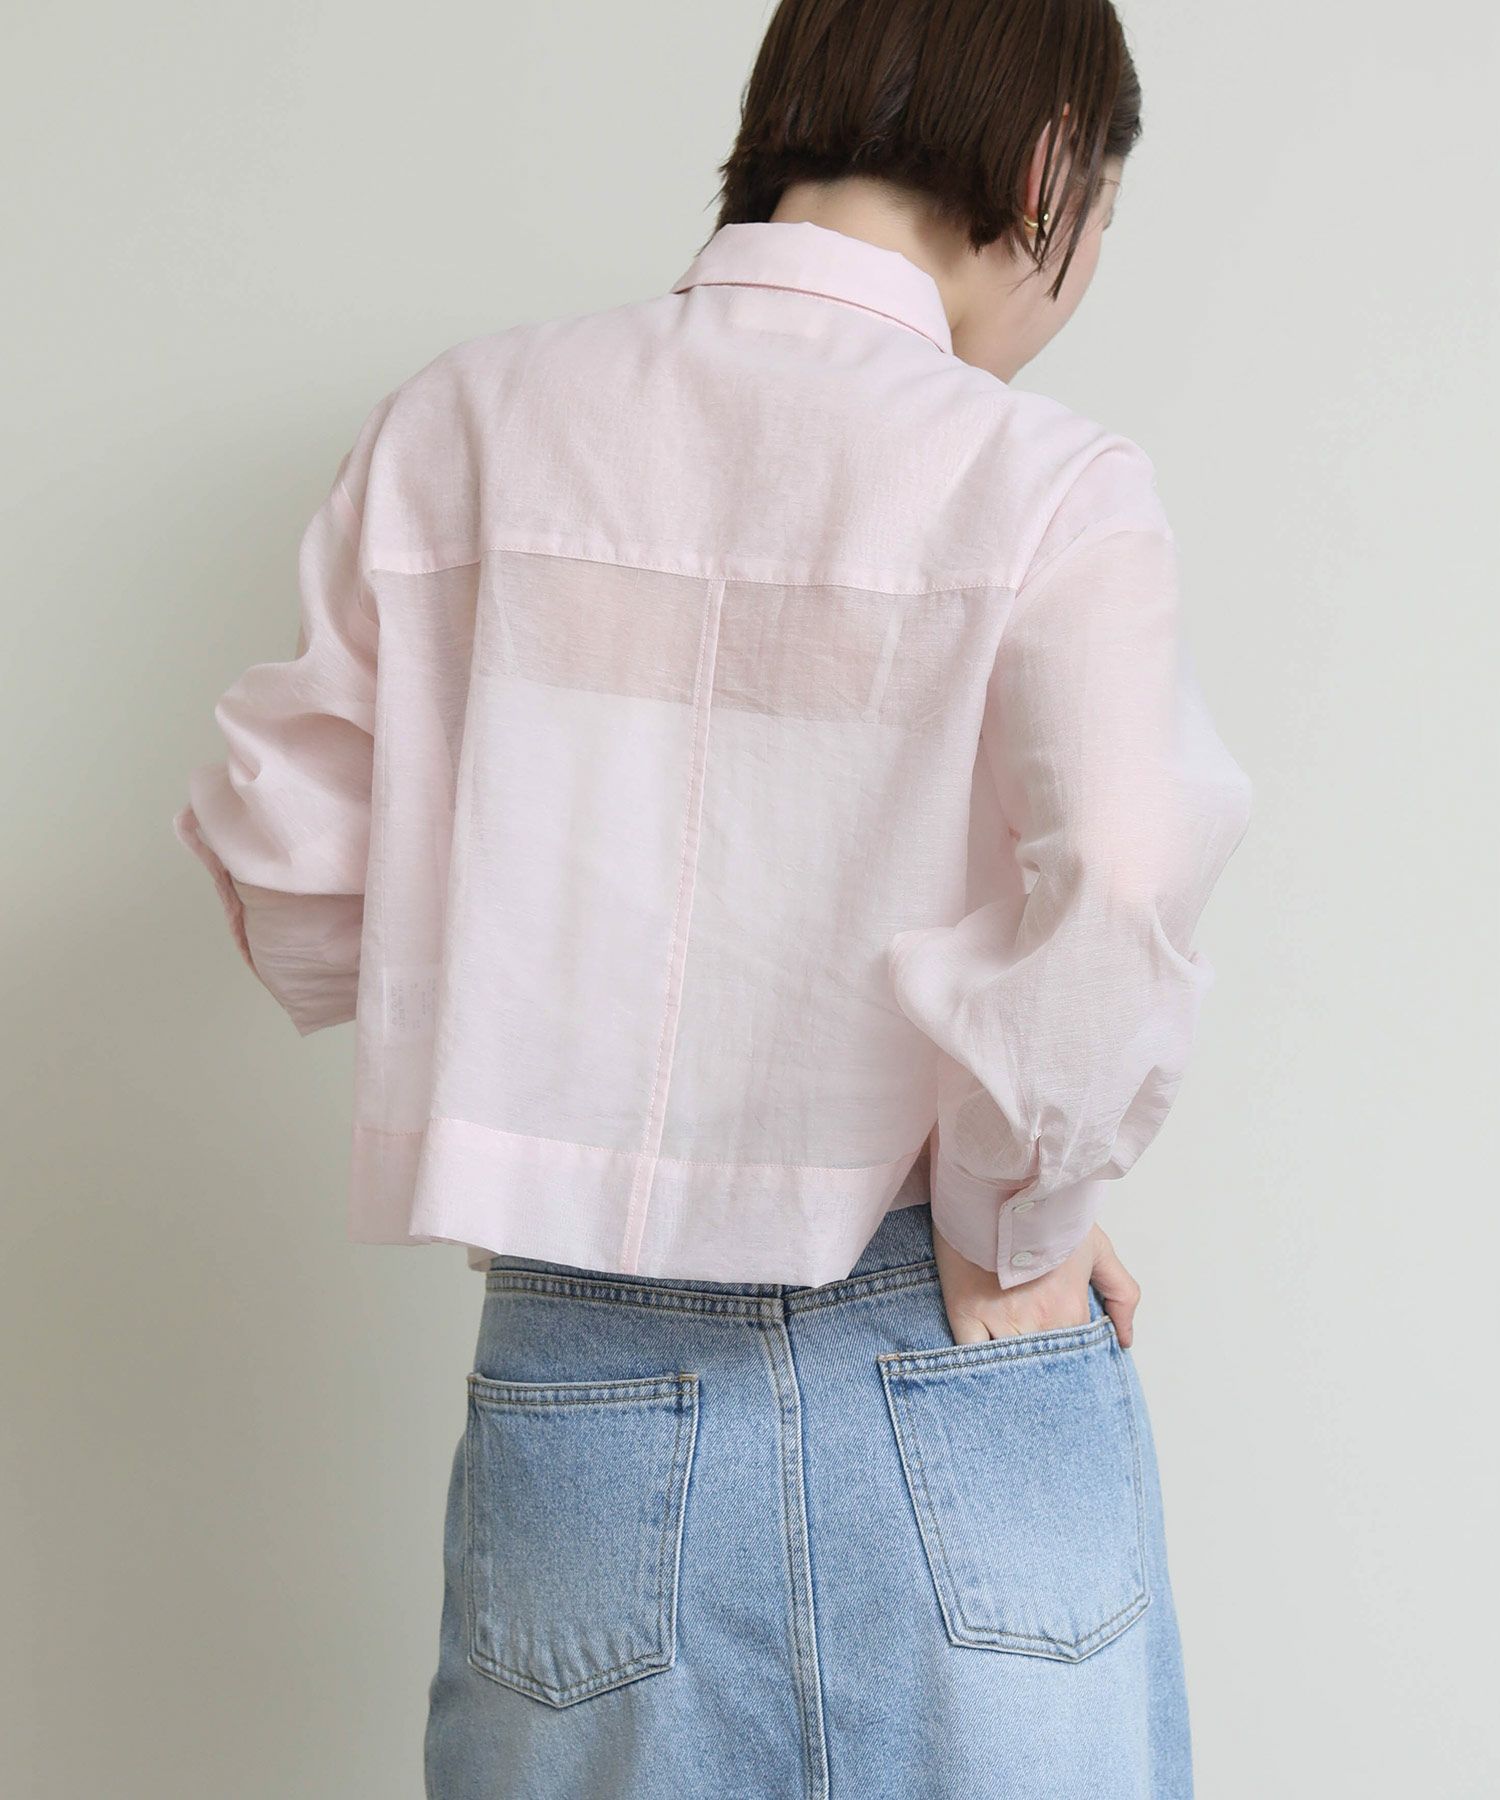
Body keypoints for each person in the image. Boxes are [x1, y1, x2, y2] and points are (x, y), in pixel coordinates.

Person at [172, 1, 1252, 1793]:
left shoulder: (462, 429)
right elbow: (1122, 878)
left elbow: (283, 868)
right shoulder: (1046, 483)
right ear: (1049, 168)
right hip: (956, 1360)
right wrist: (1014, 1208)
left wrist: (523, 1018)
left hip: (586, 1377)